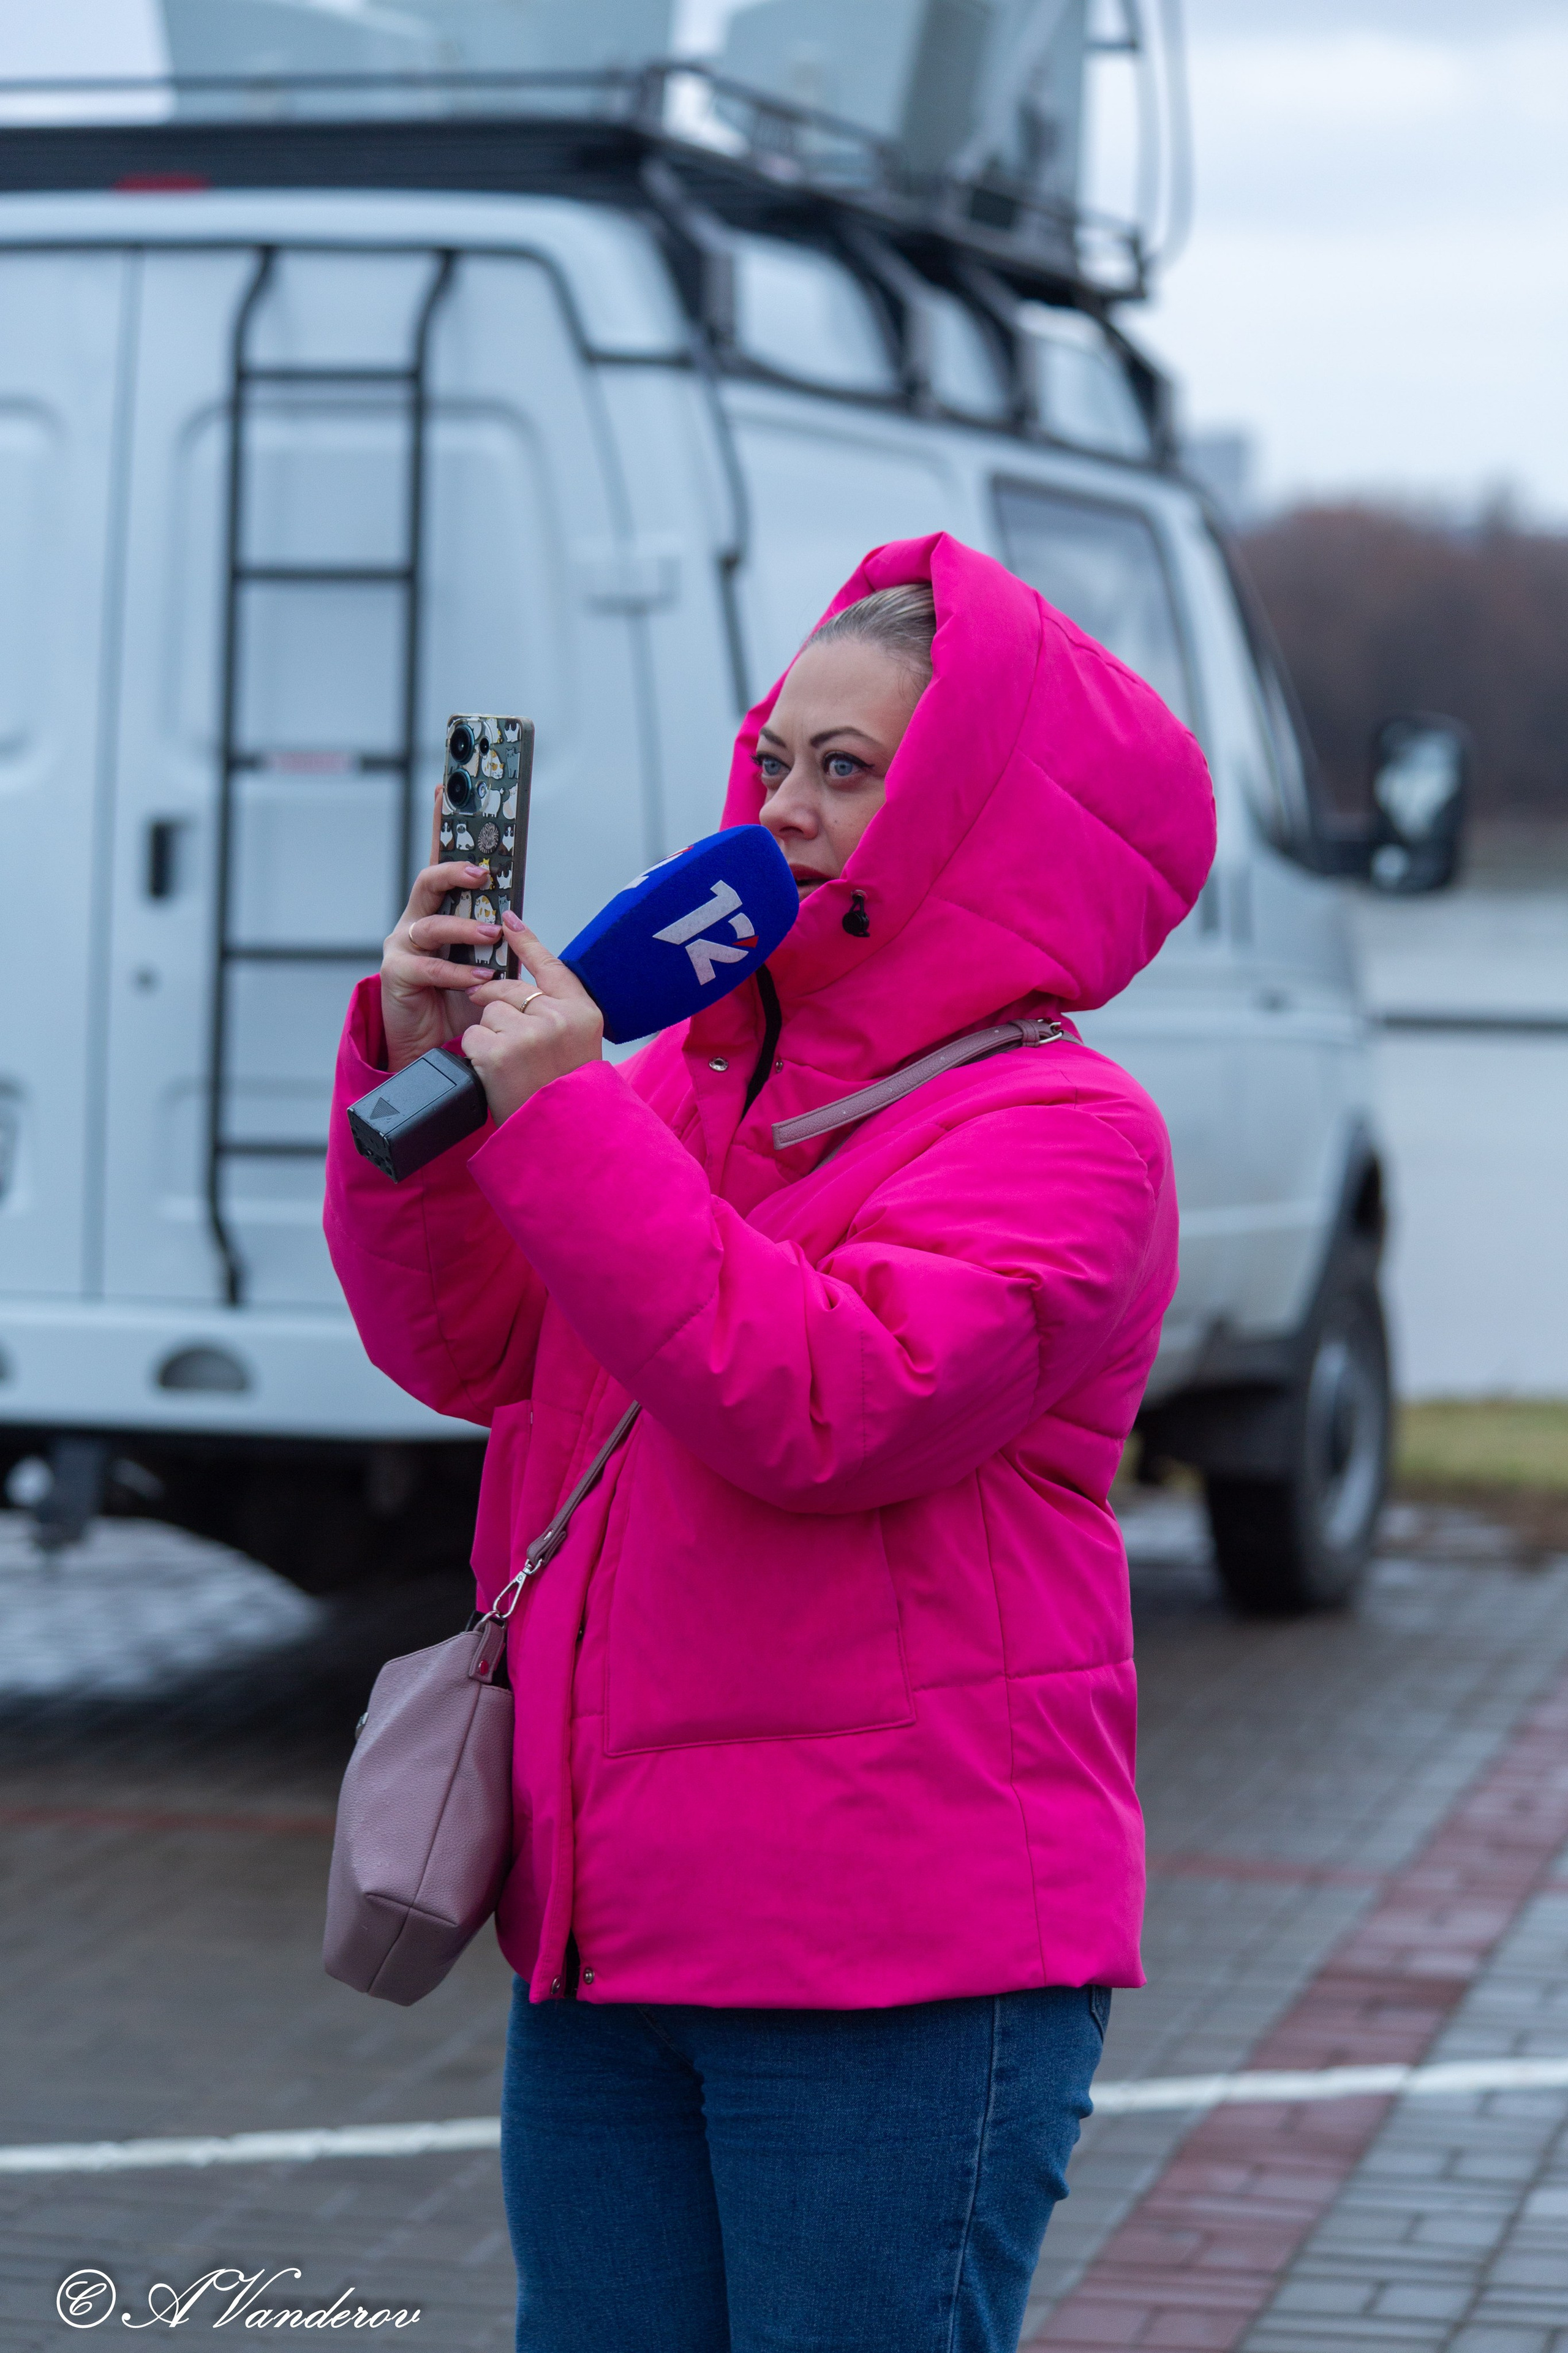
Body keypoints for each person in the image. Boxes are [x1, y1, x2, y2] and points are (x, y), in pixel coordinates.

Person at [324, 533, 1215, 2353]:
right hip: (604, 1935)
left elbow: (821, 1403)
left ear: (983, 814)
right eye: (775, 758)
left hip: (890, 1961)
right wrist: (414, 1073)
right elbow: (471, 1343)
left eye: (853, 770)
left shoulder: (1066, 1134)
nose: (786, 808)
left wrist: (563, 1112)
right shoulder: (670, 1080)